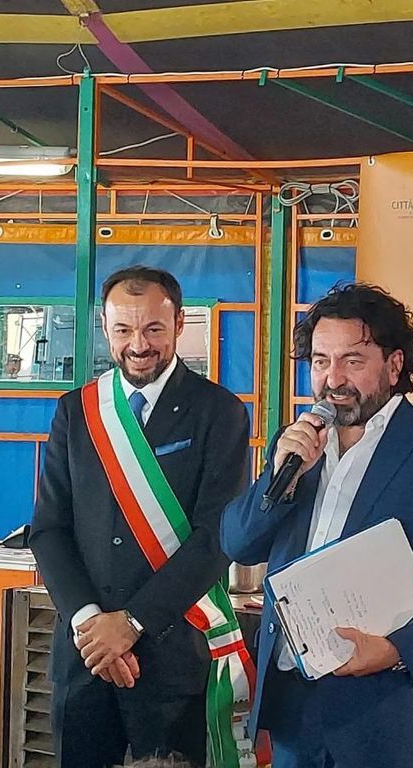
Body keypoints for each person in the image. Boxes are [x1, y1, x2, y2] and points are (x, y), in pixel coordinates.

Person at [221, 283, 413, 768]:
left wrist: (397, 649)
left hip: (383, 713)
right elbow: (237, 543)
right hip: (293, 710)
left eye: (352, 361)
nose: (333, 379)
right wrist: (279, 479)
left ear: (394, 366)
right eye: (320, 361)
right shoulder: (296, 446)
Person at [31, 266, 250, 768]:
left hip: (173, 657)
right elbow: (48, 529)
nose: (138, 345)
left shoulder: (219, 412)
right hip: (86, 657)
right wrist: (92, 624)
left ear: (179, 324)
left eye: (153, 328)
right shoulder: (77, 411)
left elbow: (216, 537)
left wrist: (131, 624)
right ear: (105, 328)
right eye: (123, 330)